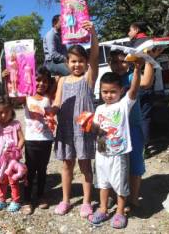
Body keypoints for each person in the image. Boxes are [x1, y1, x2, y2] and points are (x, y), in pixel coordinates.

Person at [52, 20, 99, 216]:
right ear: (67, 63)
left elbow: (95, 56)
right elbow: (57, 102)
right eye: (73, 61)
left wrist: (93, 34)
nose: (77, 64)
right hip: (65, 129)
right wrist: (50, 111)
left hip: (84, 129)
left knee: (85, 166)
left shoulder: (88, 78)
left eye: (81, 60)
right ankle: (65, 200)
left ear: (86, 63)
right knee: (66, 165)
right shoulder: (62, 80)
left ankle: (87, 202)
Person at [90, 61, 142, 229]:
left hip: (119, 154)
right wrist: (90, 126)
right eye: (105, 91)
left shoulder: (123, 105)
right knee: (103, 183)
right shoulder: (99, 110)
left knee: (120, 185)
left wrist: (137, 71)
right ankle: (103, 209)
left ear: (121, 91)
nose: (109, 95)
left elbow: (134, 91)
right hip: (102, 153)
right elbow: (96, 130)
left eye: (113, 91)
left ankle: (120, 212)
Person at [109, 49, 161, 212]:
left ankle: (133, 198)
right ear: (110, 64)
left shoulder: (132, 76)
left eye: (122, 61)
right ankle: (113, 195)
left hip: (133, 128)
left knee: (135, 163)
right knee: (113, 163)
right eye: (115, 62)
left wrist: (149, 60)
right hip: (114, 130)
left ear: (129, 62)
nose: (118, 65)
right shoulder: (110, 80)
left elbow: (146, 82)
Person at [2, 66, 55, 215]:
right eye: (38, 80)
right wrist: (8, 80)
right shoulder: (27, 96)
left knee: (43, 169)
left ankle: (41, 196)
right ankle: (26, 200)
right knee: (29, 171)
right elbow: (12, 98)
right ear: (32, 81)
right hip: (31, 141)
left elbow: (59, 81)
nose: (41, 84)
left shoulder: (50, 97)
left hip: (46, 140)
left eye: (45, 81)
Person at [0, 98, 25, 212]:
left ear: (12, 111)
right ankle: (2, 199)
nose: (3, 115)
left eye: (7, 112)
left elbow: (22, 139)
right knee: (1, 180)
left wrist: (17, 149)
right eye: (0, 112)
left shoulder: (15, 124)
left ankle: (16, 200)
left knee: (13, 180)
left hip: (12, 161)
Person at [128, 22, 154, 153]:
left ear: (136, 30)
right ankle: (146, 146)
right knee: (145, 116)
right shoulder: (151, 41)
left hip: (135, 82)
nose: (128, 33)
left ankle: (140, 146)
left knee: (137, 116)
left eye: (130, 30)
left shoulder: (133, 44)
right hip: (148, 81)